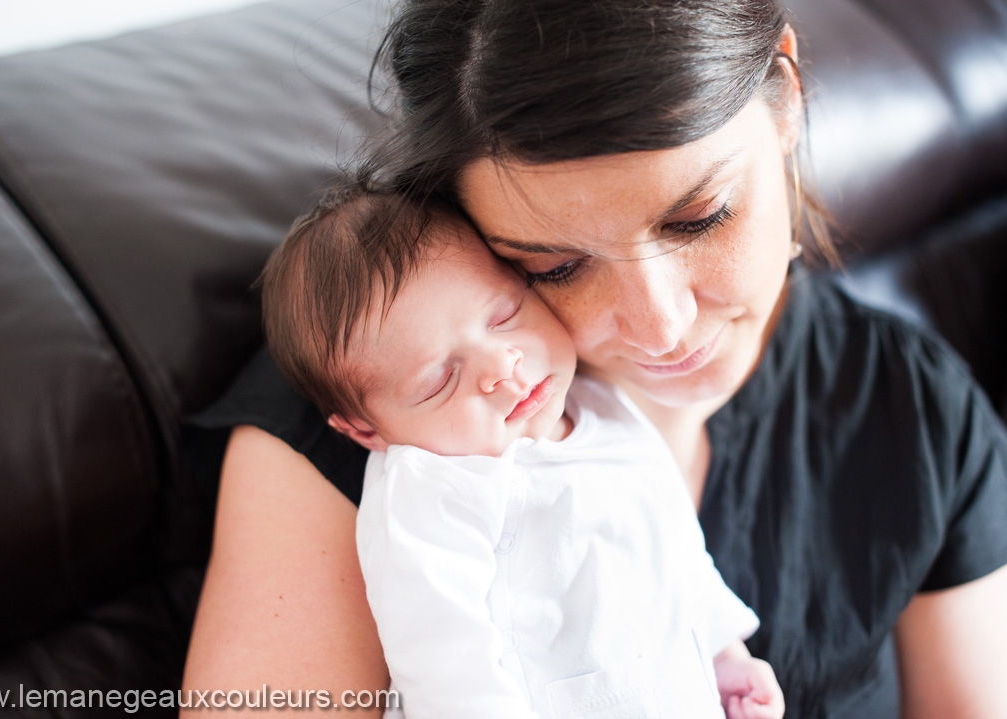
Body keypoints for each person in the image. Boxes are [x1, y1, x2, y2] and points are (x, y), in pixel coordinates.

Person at [182, 1, 1007, 717]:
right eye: (554, 267)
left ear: (785, 96)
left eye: (701, 216)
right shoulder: (378, 411)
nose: (661, 327)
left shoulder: (919, 409)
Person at [257, 183, 784, 718]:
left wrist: (723, 655)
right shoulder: (433, 488)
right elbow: (442, 651)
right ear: (367, 430)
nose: (502, 366)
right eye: (440, 380)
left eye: (504, 315)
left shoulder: (607, 409)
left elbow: (673, 547)